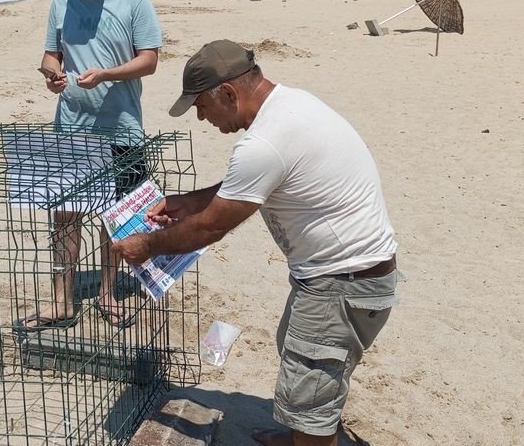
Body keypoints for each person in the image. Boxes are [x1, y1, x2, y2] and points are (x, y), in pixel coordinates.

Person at [114, 40, 399, 446]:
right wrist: (187, 201)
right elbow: (245, 188)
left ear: (228, 93)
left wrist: (145, 246)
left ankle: (311, 437)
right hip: (348, 275)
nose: (201, 116)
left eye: (201, 106)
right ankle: (301, 434)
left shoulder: (263, 144)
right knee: (303, 362)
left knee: (311, 390)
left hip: (342, 283)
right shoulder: (291, 105)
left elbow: (210, 228)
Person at [23, 0, 163, 332]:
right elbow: (52, 56)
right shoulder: (61, 3)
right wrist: (50, 75)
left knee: (113, 216)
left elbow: (150, 60)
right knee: (65, 216)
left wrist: (106, 74)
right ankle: (63, 300)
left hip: (120, 128)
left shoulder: (135, 2)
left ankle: (107, 293)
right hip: (70, 127)